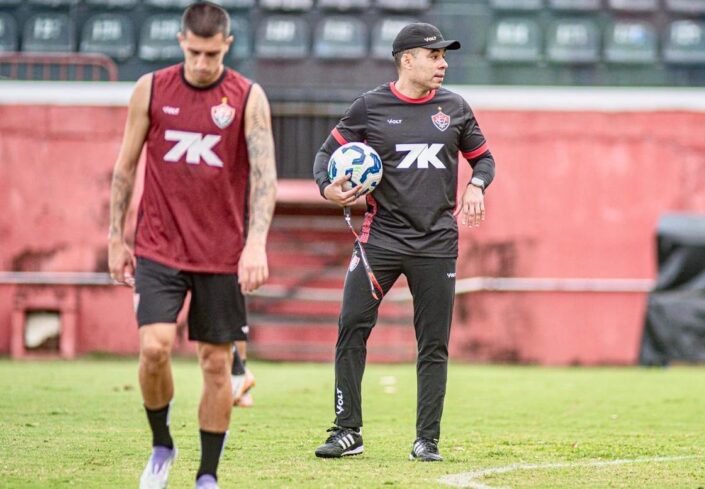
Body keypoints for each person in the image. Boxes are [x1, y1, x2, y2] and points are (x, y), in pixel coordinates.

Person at [107, 2, 277, 488]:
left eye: (211, 53)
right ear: (182, 41)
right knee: (154, 348)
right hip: (158, 245)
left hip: (222, 252)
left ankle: (207, 475)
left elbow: (265, 178)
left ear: (227, 44)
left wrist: (256, 244)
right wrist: (116, 239)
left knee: (216, 363)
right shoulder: (152, 89)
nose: (202, 63)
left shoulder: (247, 97)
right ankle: (162, 446)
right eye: (194, 52)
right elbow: (124, 167)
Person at [312, 23, 495, 462]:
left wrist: (477, 186)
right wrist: (327, 187)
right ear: (406, 59)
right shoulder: (370, 108)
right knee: (351, 325)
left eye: (444, 56)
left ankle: (426, 440)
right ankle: (346, 431)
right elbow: (325, 155)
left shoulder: (455, 108)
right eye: (434, 56)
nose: (443, 63)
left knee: (433, 344)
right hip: (381, 240)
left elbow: (483, 158)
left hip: (436, 244)